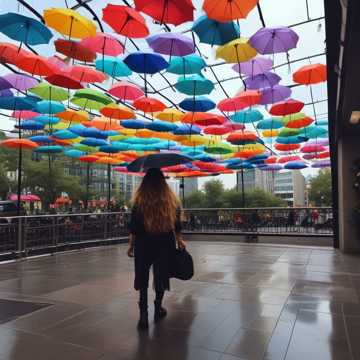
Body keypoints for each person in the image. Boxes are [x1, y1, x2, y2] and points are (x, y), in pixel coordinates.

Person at [127, 168, 186, 330]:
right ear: (163, 182)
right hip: (164, 242)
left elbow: (134, 227)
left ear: (145, 183)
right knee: (161, 275)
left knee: (143, 277)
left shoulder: (139, 201)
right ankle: (158, 307)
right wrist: (180, 240)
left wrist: (131, 245)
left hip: (143, 243)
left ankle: (143, 315)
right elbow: (177, 223)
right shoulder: (170, 200)